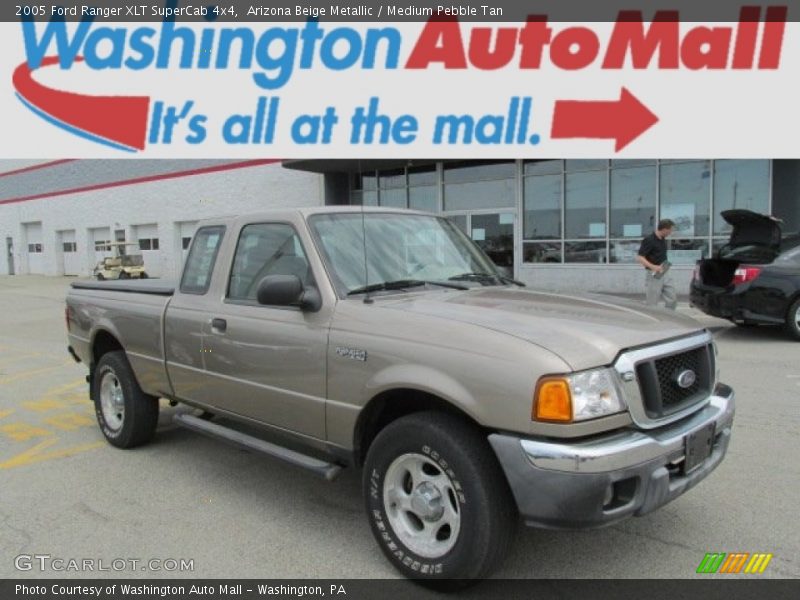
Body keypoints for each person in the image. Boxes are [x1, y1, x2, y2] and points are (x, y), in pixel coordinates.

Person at [637, 219, 677, 310]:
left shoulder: (663, 239)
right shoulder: (649, 240)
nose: (671, 232)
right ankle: (651, 322)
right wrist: (653, 267)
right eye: (670, 230)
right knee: (652, 302)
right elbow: (640, 257)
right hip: (654, 273)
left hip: (665, 270)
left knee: (672, 299)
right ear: (664, 229)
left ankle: (669, 318)